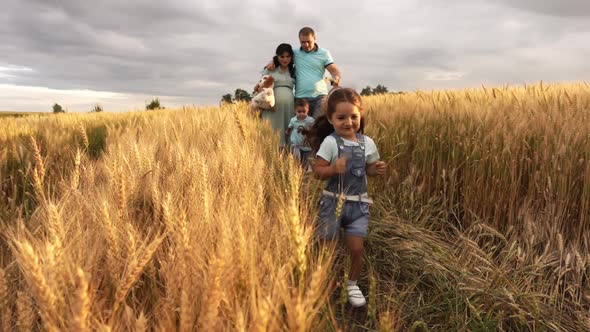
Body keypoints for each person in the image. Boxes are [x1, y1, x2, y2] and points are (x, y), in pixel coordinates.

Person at [308, 87, 386, 307]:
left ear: (360, 116)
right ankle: (324, 281)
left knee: (356, 248)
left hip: (359, 205)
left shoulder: (367, 143)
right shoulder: (331, 143)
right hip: (332, 202)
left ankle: (352, 283)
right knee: (327, 247)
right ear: (331, 120)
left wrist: (375, 169)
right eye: (341, 118)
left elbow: (367, 169)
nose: (348, 122)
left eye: (354, 117)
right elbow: (317, 172)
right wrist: (332, 169)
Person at [266, 27, 342, 119]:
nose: (306, 44)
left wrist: (336, 78)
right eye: (302, 42)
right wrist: (272, 62)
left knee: (317, 127)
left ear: (315, 38)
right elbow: (282, 57)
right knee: (302, 128)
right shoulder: (295, 53)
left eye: (308, 41)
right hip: (301, 98)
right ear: (299, 40)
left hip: (320, 97)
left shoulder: (324, 53)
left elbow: (333, 70)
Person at [259, 43, 296, 147]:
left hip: (288, 108)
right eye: (282, 56)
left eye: (288, 56)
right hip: (272, 108)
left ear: (291, 57)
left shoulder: (293, 71)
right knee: (272, 136)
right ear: (277, 56)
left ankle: (285, 160)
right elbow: (260, 85)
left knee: (287, 135)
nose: (285, 59)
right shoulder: (270, 69)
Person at [285, 98, 314, 168]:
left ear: (308, 110)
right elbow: (290, 127)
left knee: (306, 160)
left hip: (306, 145)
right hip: (296, 144)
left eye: (304, 111)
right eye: (299, 111)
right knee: (296, 160)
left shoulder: (310, 120)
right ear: (295, 111)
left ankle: (304, 172)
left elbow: (314, 129)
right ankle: (296, 172)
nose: (301, 113)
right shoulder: (293, 120)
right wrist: (287, 131)